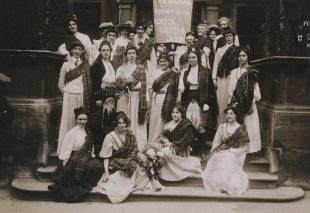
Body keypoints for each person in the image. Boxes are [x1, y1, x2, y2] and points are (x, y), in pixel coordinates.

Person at [95, 112, 162, 203]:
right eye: (119, 123)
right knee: (119, 182)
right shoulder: (110, 137)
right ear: (116, 123)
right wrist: (106, 173)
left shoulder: (130, 135)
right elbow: (106, 157)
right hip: (116, 162)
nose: (122, 125)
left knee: (145, 164)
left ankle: (148, 180)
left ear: (127, 123)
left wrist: (132, 160)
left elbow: (135, 150)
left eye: (124, 123)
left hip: (130, 161)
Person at [48, 107, 103, 202]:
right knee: (91, 166)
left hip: (86, 157)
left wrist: (92, 156)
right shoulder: (71, 134)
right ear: (76, 119)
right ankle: (81, 182)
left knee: (97, 164)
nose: (83, 121)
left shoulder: (88, 131)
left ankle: (88, 182)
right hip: (73, 159)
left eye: (85, 119)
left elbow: (91, 146)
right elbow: (65, 152)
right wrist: (66, 166)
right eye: (80, 119)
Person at [202, 103, 249, 196]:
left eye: (231, 113)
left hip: (237, 153)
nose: (229, 116)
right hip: (224, 151)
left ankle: (231, 186)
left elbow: (244, 147)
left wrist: (231, 151)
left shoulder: (240, 128)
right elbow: (216, 142)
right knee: (216, 157)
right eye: (227, 114)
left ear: (236, 115)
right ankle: (220, 184)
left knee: (229, 157)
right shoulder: (222, 127)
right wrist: (214, 151)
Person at [57, 39, 92, 154]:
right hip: (69, 95)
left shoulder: (86, 66)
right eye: (75, 49)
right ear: (71, 51)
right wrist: (66, 93)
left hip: (81, 94)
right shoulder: (66, 64)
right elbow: (60, 83)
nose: (77, 51)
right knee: (67, 120)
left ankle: (79, 148)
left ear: (82, 51)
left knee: (80, 120)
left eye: (79, 49)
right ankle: (65, 149)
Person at [228, 47, 262, 153]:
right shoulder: (234, 72)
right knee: (237, 127)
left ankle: (248, 151)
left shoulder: (252, 71)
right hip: (237, 103)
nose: (241, 58)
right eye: (239, 56)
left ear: (248, 57)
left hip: (249, 103)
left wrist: (251, 104)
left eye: (244, 55)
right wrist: (231, 105)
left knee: (249, 127)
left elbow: (255, 89)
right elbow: (231, 89)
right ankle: (238, 150)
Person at [116, 45, 148, 151]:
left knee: (137, 121)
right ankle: (125, 145)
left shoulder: (142, 69)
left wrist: (147, 100)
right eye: (129, 53)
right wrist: (125, 83)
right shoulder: (121, 68)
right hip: (125, 98)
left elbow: (145, 87)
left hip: (137, 98)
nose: (131, 55)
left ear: (136, 55)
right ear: (126, 55)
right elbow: (117, 85)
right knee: (126, 119)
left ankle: (139, 146)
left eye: (133, 53)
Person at [158, 104, 202, 181]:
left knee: (166, 151)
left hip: (180, 147)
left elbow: (186, 139)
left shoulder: (186, 124)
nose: (174, 114)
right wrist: (164, 139)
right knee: (158, 150)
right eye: (173, 112)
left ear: (181, 113)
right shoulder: (169, 124)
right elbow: (164, 135)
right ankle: (164, 173)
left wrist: (172, 144)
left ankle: (176, 173)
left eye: (177, 112)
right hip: (169, 145)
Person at [148, 53, 182, 143]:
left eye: (165, 61)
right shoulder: (155, 72)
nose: (163, 63)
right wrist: (150, 101)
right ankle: (153, 141)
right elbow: (151, 88)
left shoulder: (174, 73)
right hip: (157, 98)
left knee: (165, 120)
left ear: (169, 62)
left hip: (168, 100)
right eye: (161, 61)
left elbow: (180, 88)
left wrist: (178, 101)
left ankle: (164, 141)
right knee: (156, 119)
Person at [90, 41, 116, 157]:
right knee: (100, 123)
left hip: (110, 96)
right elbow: (95, 84)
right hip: (100, 97)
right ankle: (98, 150)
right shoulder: (97, 64)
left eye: (107, 50)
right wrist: (97, 98)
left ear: (110, 51)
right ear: (100, 52)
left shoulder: (111, 64)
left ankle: (108, 149)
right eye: (103, 50)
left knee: (109, 121)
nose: (106, 52)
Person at [182, 50, 218, 129]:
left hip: (201, 96)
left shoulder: (205, 71)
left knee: (200, 119)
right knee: (189, 117)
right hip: (189, 96)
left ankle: (200, 138)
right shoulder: (186, 72)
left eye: (193, 57)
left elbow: (211, 88)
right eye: (189, 58)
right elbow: (184, 89)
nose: (191, 59)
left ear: (198, 58)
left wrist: (207, 102)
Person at [212, 28, 240, 125]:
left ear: (233, 37)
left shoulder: (237, 50)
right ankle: (220, 124)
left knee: (230, 98)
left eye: (230, 36)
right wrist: (214, 78)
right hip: (221, 77)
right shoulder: (220, 49)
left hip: (231, 77)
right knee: (220, 100)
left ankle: (231, 124)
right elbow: (215, 64)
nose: (228, 38)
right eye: (227, 36)